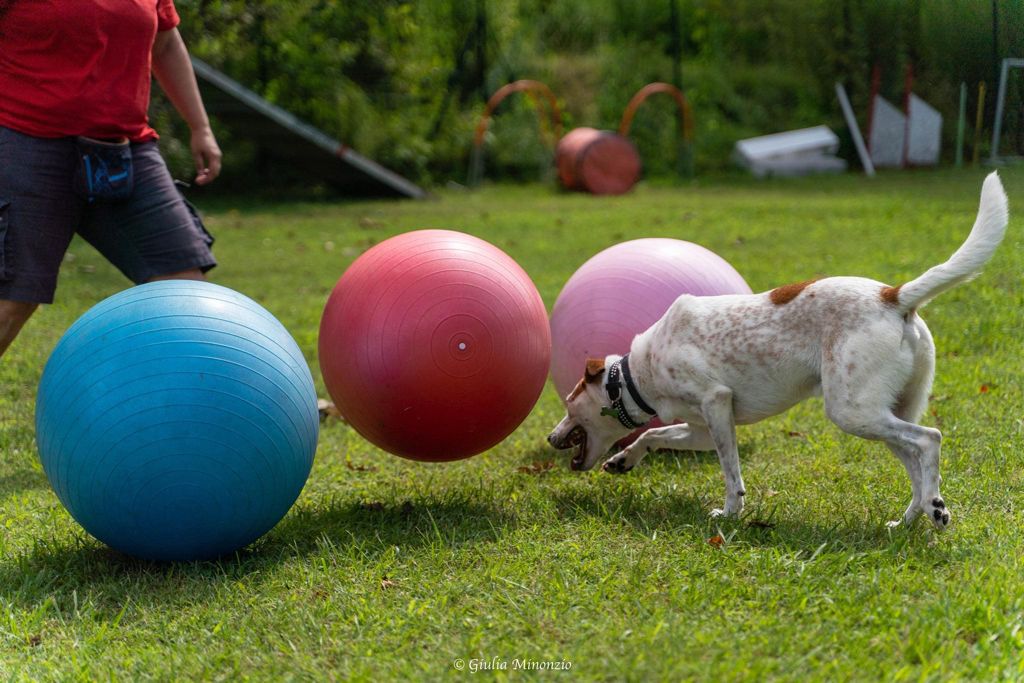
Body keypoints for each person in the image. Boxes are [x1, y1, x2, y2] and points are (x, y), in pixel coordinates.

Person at [0, 0, 222, 357]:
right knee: (11, 301)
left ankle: (162, 407)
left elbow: (165, 42)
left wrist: (200, 127)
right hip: (26, 142)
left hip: (124, 149)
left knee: (183, 291)